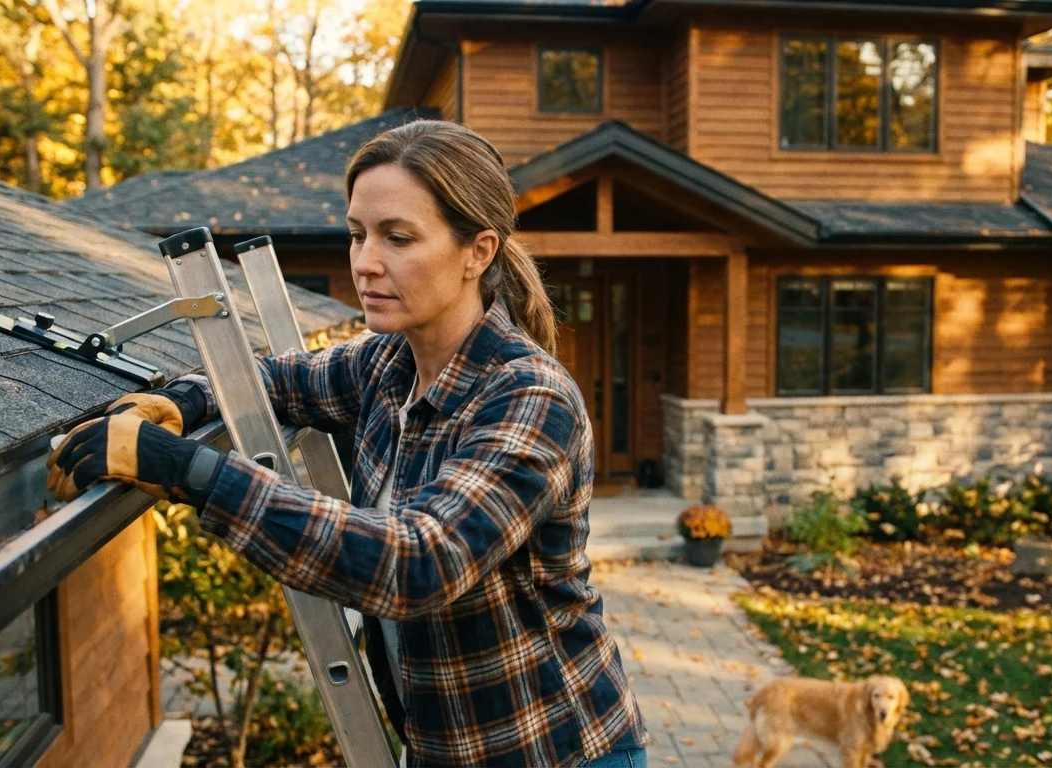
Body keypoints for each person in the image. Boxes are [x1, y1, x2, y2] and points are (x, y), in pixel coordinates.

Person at [46, 119, 649, 768]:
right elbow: (277, 379)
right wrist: (183, 401)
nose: (365, 262)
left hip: (554, 751)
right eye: (358, 234)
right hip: (446, 747)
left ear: (477, 251)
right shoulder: (386, 366)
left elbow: (419, 564)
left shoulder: (530, 398)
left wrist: (189, 472)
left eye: (398, 237)